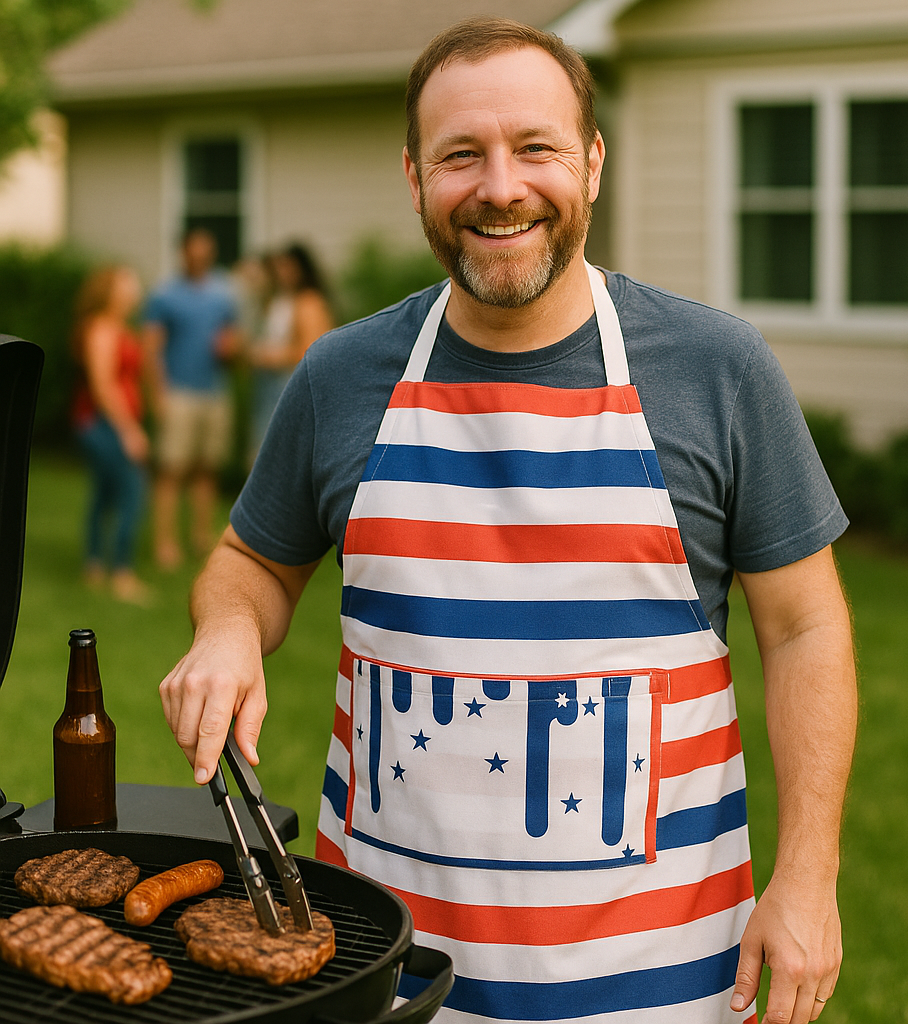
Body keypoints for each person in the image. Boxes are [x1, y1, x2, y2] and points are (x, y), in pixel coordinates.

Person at [159, 17, 857, 1024]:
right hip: (387, 975)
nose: (499, 186)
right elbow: (249, 562)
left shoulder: (718, 369)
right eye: (460, 155)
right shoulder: (342, 376)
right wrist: (228, 626)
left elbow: (806, 627)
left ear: (593, 163)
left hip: (663, 981)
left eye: (535, 148)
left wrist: (806, 877)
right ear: (414, 177)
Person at [141, 227, 238, 569]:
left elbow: (233, 338)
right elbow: (151, 349)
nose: (200, 257)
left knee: (206, 469)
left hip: (215, 392)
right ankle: (164, 543)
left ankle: (200, 537)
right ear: (183, 253)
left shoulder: (223, 292)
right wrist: (158, 396)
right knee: (171, 470)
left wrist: (231, 346)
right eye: (194, 251)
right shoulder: (164, 295)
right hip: (178, 393)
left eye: (206, 252)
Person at [71, 265, 151, 605]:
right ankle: (121, 572)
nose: (134, 290)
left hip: (110, 422)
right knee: (133, 490)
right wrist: (129, 430)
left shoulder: (121, 327)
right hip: (102, 423)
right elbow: (103, 385)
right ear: (111, 290)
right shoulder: (102, 328)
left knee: (104, 493)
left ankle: (92, 566)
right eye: (127, 284)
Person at [247, 243, 333, 463]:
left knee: (284, 456)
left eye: (288, 267)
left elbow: (313, 349)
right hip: (269, 386)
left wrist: (270, 356)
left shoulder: (309, 302)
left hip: (291, 385)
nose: (282, 273)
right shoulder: (280, 299)